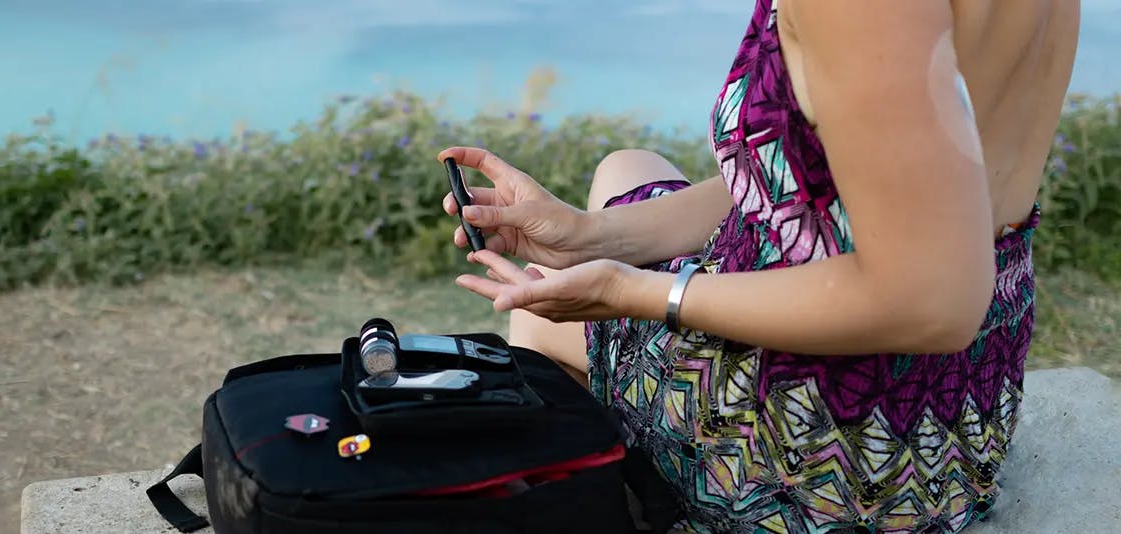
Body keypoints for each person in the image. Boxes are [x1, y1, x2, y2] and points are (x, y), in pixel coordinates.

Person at [438, 0, 1080, 531]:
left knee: (539, 324)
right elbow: (826, 169)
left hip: (837, 443)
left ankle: (657, 495)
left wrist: (634, 292)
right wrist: (588, 236)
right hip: (963, 415)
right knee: (624, 169)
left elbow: (929, 300)